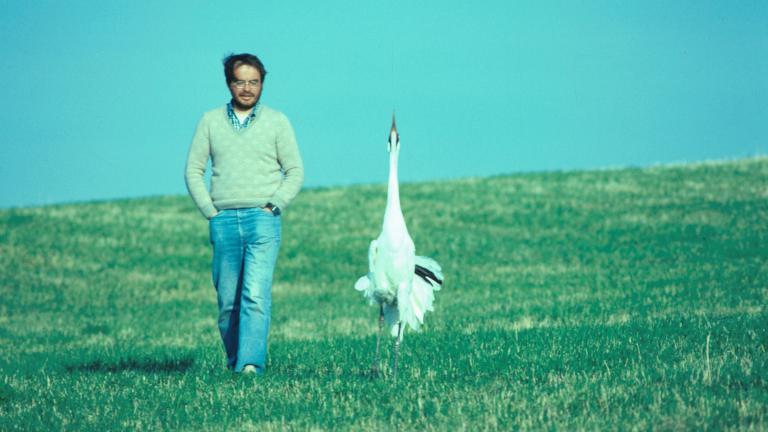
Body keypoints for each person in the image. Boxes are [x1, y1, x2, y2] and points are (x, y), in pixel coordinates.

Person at [185, 53, 304, 375]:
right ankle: (235, 360)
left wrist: (273, 206)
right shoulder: (209, 121)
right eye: (240, 81)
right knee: (228, 305)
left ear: (262, 83)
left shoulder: (277, 121)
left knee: (255, 295)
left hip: (262, 221)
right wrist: (210, 212)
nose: (247, 88)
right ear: (229, 83)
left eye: (254, 82)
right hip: (223, 221)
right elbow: (194, 171)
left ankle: (250, 365)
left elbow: (294, 171)